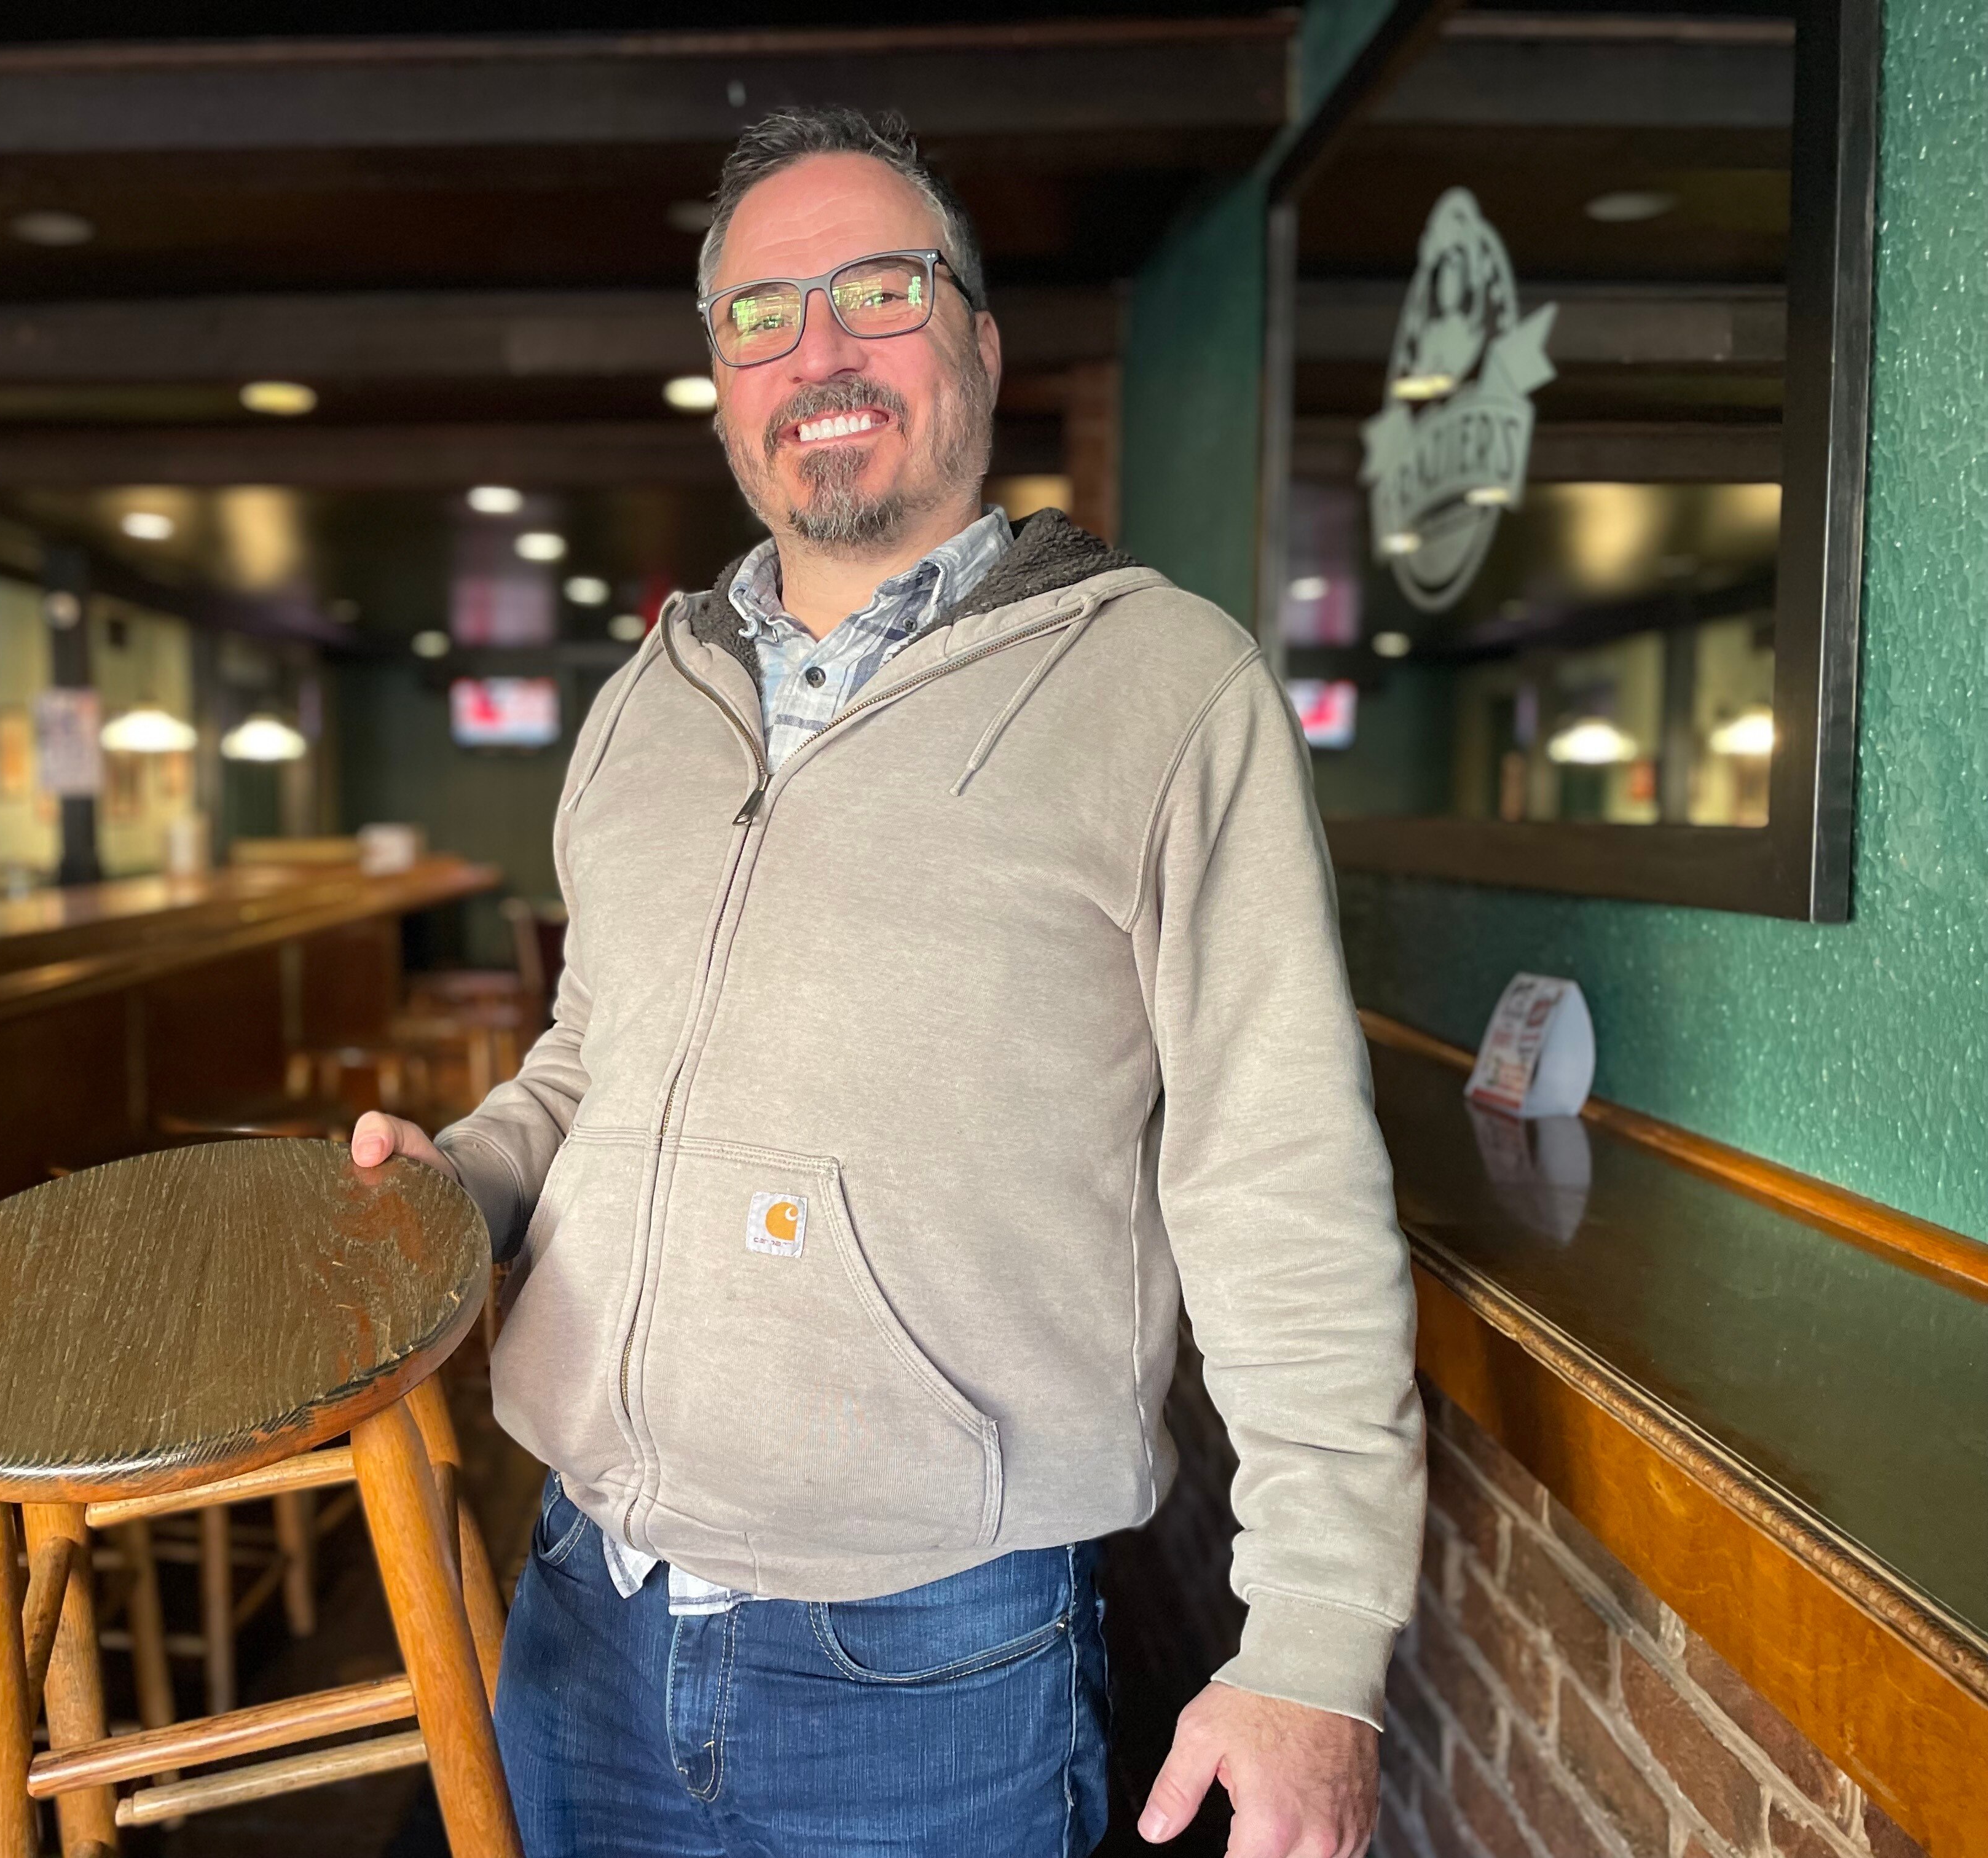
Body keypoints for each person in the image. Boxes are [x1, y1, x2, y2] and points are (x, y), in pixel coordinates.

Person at [353, 104, 1423, 1858]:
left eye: (881, 291)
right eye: (761, 315)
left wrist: (1318, 1643)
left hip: (927, 1663)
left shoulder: (1165, 686)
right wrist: (465, 1181)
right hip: (576, 1607)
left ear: (981, 345)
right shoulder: (649, 697)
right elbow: (588, 1055)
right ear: (719, 382)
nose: (821, 352)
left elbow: (1279, 1174)